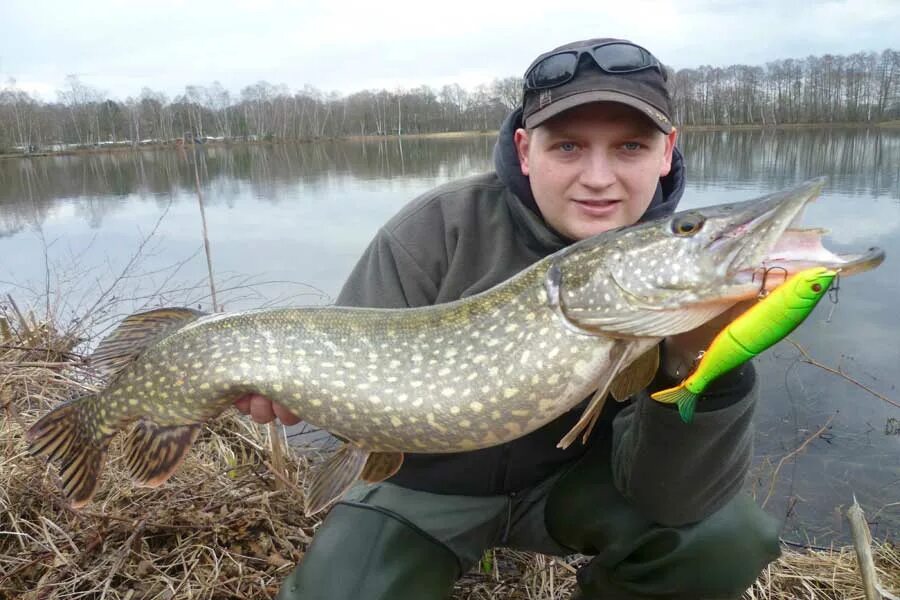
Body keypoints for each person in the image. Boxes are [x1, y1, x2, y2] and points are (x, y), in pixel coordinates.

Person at [235, 38, 781, 600]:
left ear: (666, 152)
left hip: (570, 490)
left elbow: (676, 501)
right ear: (525, 150)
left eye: (630, 147)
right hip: (420, 488)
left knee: (724, 537)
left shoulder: (667, 277)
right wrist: (302, 392)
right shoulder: (432, 231)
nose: (598, 177)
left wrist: (706, 361)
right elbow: (347, 382)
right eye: (568, 147)